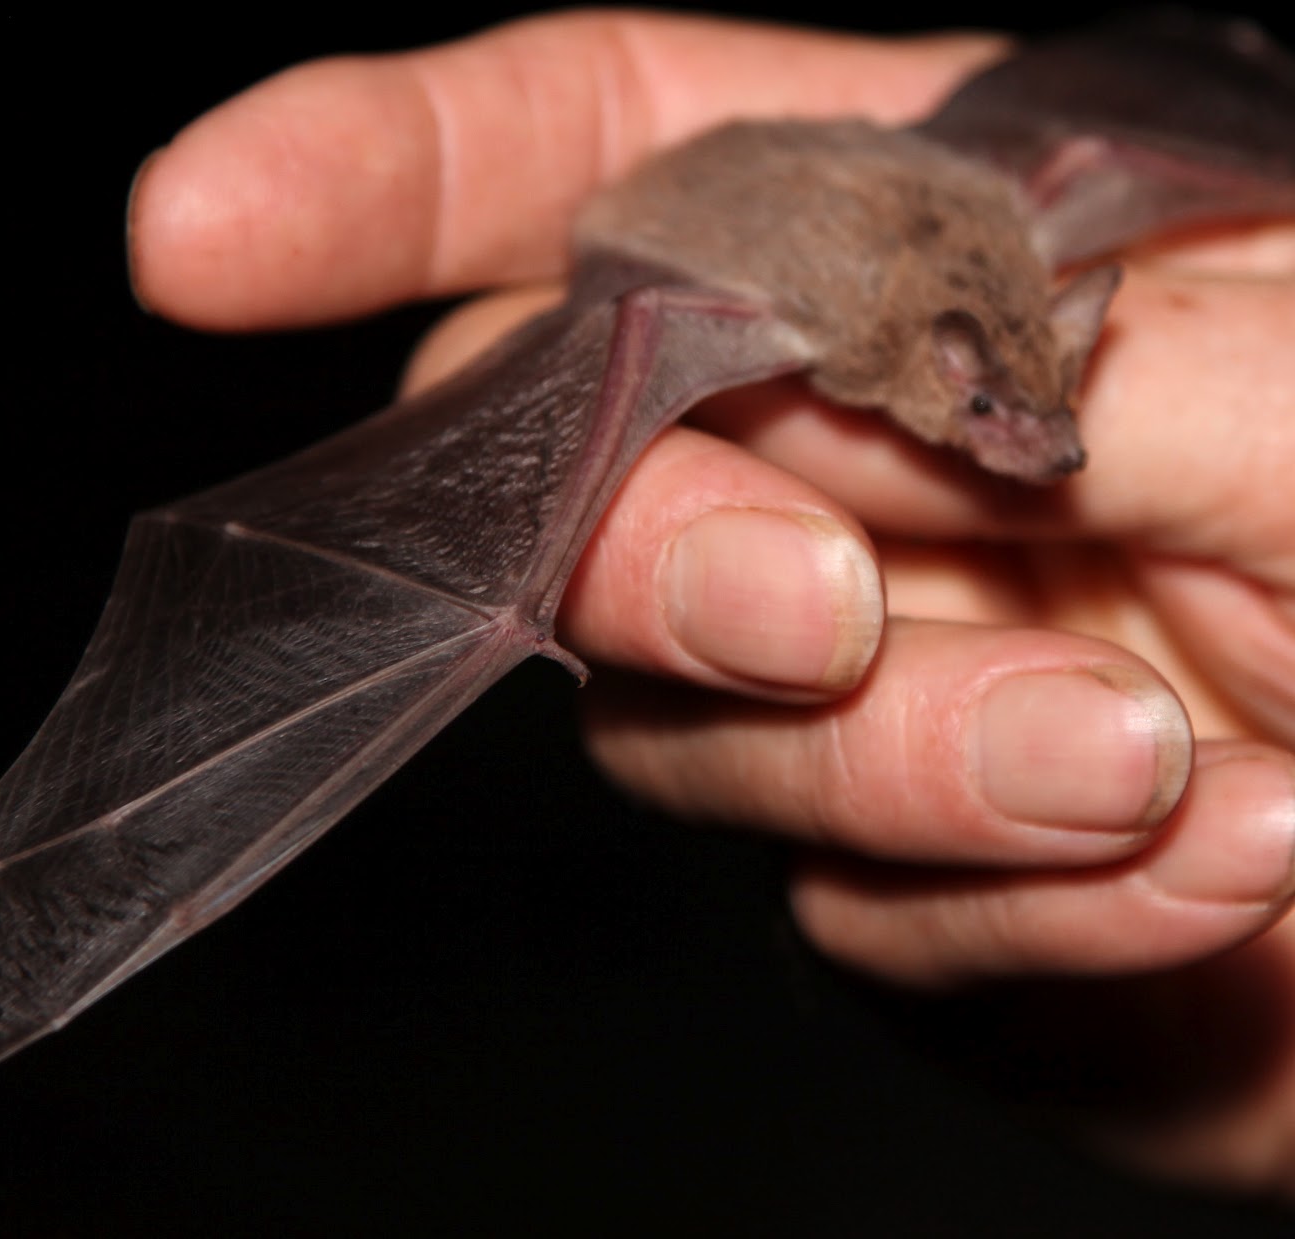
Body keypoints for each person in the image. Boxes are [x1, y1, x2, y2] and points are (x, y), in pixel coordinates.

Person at [126, 12, 1295, 1198]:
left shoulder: (1009, 235)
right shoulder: (815, 328)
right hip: (695, 249)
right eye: (1004, 418)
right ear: (949, 382)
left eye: (1055, 405)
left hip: (868, 191)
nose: (1051, 455)